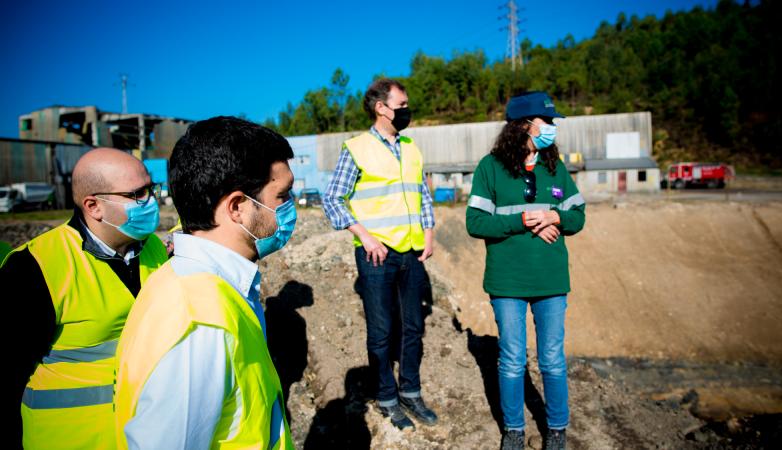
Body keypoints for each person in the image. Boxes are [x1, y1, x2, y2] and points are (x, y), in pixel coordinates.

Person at [113, 116, 295, 449]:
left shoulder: (191, 282)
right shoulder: (200, 324)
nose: (290, 206)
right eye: (282, 195)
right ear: (237, 207)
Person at [2, 147, 168, 449]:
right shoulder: (35, 266)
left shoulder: (154, 248)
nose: (151, 201)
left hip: (143, 437)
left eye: (151, 188)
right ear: (94, 206)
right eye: (137, 194)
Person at [465, 91, 585, 450]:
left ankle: (557, 429)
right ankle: (514, 430)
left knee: (552, 359)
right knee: (512, 359)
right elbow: (475, 222)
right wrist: (523, 221)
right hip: (508, 282)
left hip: (551, 279)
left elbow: (578, 217)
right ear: (522, 124)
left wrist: (554, 217)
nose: (551, 128)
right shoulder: (490, 168)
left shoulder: (555, 167)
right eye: (546, 121)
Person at [322, 78, 438, 430]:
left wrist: (429, 233)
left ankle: (411, 391)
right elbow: (333, 199)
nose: (407, 110)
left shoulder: (411, 147)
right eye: (401, 105)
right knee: (382, 331)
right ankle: (387, 398)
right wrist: (365, 237)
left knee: (413, 327)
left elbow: (422, 194)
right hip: (377, 255)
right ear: (381, 108)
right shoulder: (357, 148)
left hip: (413, 252)